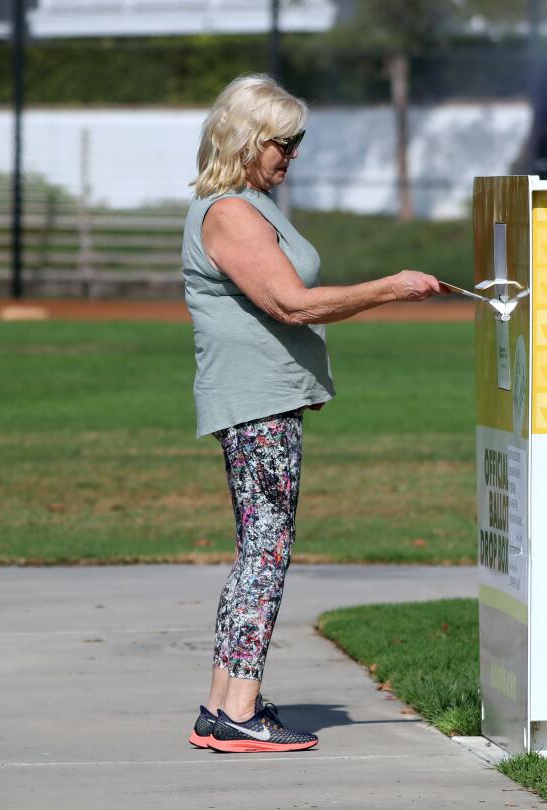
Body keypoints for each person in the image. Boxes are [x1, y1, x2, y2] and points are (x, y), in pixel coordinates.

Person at [181, 74, 445, 753]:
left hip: (265, 402)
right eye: (284, 143)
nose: (291, 156)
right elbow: (291, 304)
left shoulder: (248, 204)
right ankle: (239, 708)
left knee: (256, 553)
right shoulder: (230, 214)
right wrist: (392, 287)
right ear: (246, 139)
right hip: (255, 406)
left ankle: (222, 706)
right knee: (266, 554)